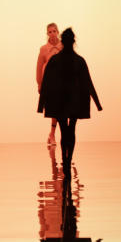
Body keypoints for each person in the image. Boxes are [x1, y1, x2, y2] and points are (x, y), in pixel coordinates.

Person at [37, 27, 102, 166]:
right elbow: (88, 82)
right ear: (73, 42)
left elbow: (47, 81)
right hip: (74, 102)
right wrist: (98, 104)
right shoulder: (79, 60)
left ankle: (65, 162)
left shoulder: (54, 60)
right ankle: (68, 159)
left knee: (63, 129)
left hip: (59, 101)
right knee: (71, 129)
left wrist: (41, 104)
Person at [36, 23, 63, 145]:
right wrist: (39, 83)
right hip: (50, 84)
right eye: (49, 32)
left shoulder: (64, 46)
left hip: (63, 83)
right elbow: (39, 67)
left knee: (64, 110)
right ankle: (52, 134)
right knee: (54, 110)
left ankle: (56, 134)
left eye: (54, 31)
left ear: (58, 32)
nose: (52, 33)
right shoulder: (43, 49)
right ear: (47, 34)